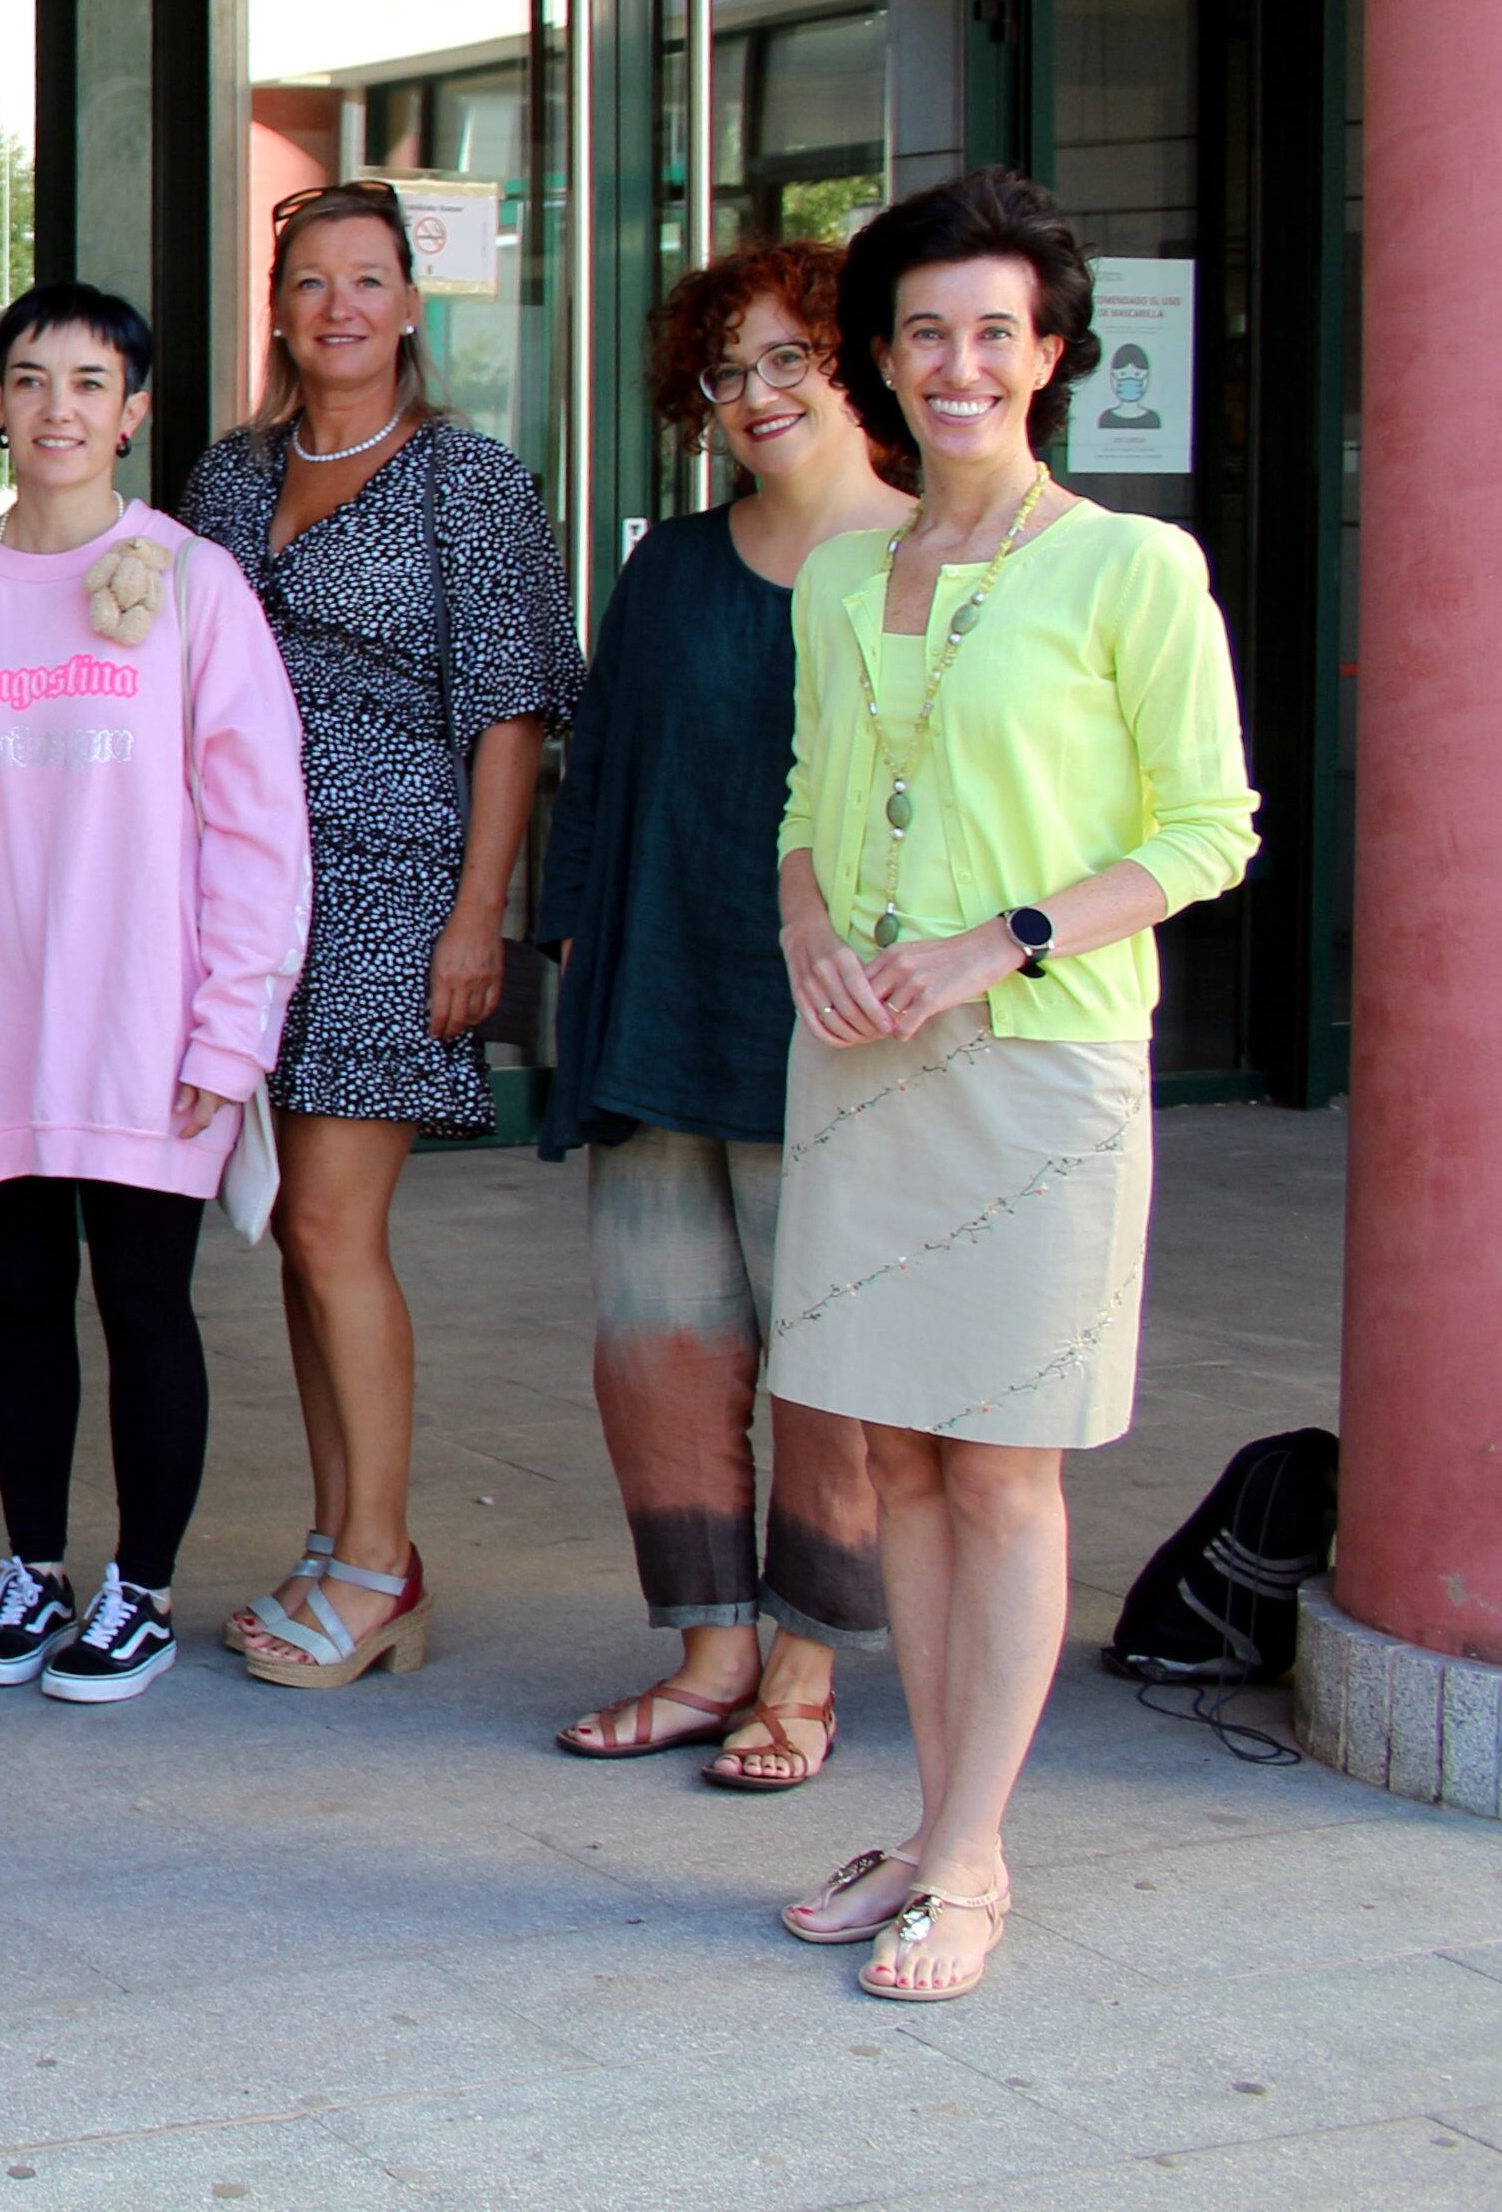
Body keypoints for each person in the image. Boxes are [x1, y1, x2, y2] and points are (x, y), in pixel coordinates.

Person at [766, 171, 1254, 2004]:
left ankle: (969, 1856)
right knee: (890, 1454)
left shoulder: (1133, 567)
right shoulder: (837, 574)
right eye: (923, 332)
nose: (957, 365)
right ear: (879, 361)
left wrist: (1002, 938)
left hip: (1040, 1062)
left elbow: (1210, 830)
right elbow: (806, 815)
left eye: (995, 332)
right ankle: (929, 1817)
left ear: (1049, 355)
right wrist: (810, 928)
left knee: (1004, 1472)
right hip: (861, 1059)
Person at [0, 283, 306, 1703]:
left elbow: (259, 831)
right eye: (31, 380)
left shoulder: (194, 584)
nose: (57, 410)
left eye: (89, 384)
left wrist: (233, 1029)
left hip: (146, 1026)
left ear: (135, 409)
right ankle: (35, 1568)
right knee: (18, 1301)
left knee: (145, 1303)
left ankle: (141, 1588)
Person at [177, 179, 580, 1688]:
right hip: (245, 896)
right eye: (309, 283)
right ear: (278, 310)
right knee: (290, 1225)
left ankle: (380, 1561)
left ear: (412, 304)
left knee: (338, 1224)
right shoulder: (225, 479)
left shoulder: (469, 480)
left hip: (396, 886)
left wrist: (480, 916)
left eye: (367, 281)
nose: (337, 307)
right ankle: (340, 1529)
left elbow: (512, 715)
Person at [539, 247, 900, 1787]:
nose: (753, 396)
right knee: (657, 1351)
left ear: (851, 366)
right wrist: (570, 963)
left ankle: (805, 1673)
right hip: (662, 1003)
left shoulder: (933, 561)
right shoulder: (674, 569)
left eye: (785, 361)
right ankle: (710, 1650)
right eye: (725, 372)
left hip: (844, 1029)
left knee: (834, 1368)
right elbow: (603, 773)